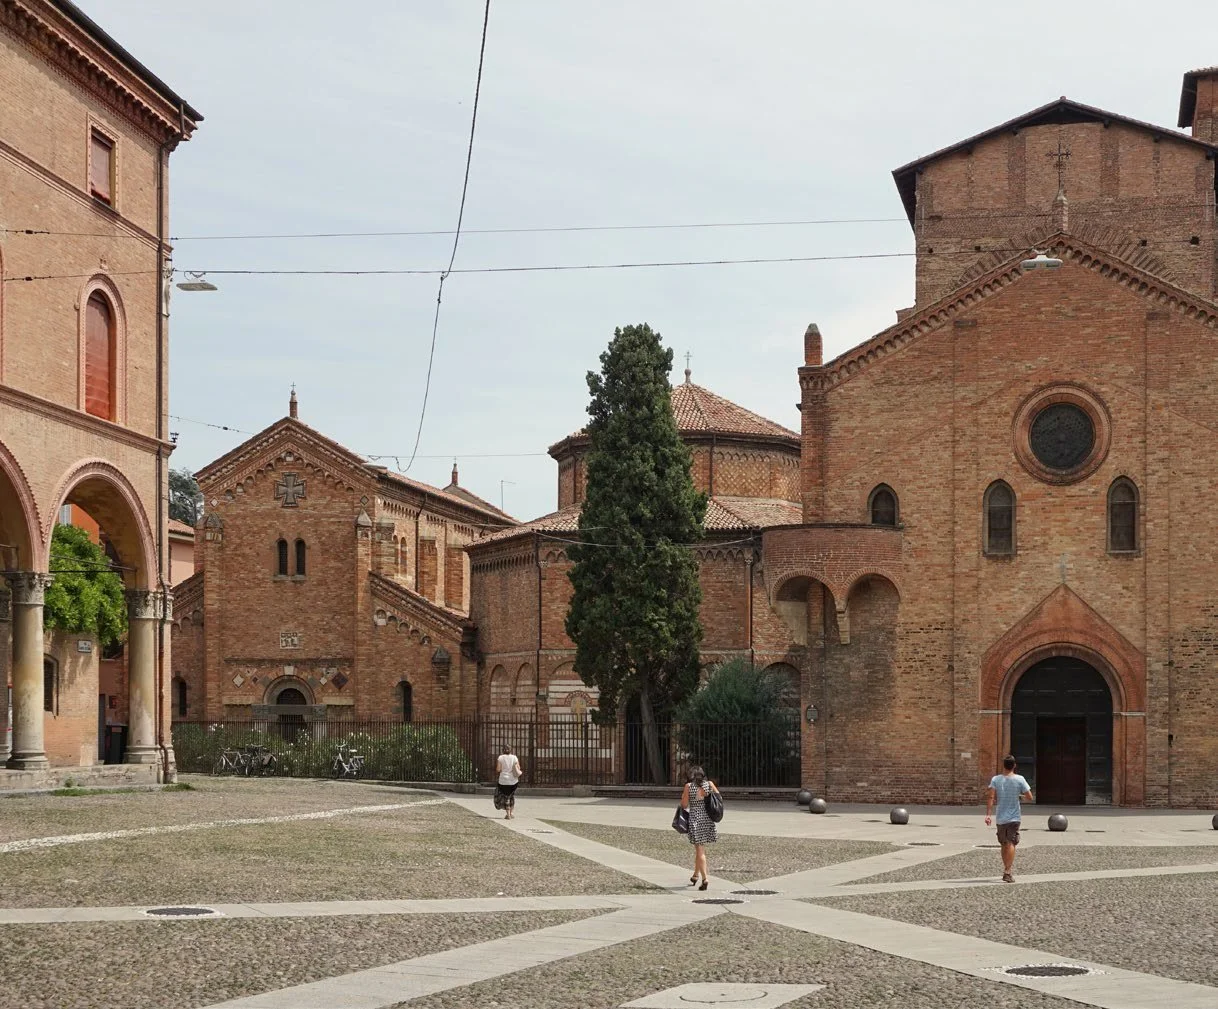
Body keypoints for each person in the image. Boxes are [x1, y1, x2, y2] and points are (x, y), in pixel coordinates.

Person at [985, 754, 1033, 883]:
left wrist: (988, 815)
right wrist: (1020, 796)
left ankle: (1006, 869)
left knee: (1004, 843)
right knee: (1011, 843)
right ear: (1014, 766)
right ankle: (1007, 871)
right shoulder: (1020, 779)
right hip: (1014, 817)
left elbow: (990, 797)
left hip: (1000, 817)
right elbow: (1030, 797)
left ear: (1003, 766)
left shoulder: (996, 779)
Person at [681, 765, 719, 890]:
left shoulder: (689, 787)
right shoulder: (709, 784)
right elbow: (719, 799)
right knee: (699, 849)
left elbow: (684, 804)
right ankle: (695, 875)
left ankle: (705, 878)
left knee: (700, 851)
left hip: (695, 819)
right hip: (707, 819)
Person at [495, 743, 523, 820]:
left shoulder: (500, 757)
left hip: (503, 780)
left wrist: (503, 769)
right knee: (511, 796)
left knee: (506, 796)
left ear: (503, 750)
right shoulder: (514, 757)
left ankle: (508, 815)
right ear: (511, 750)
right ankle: (511, 813)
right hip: (513, 780)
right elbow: (518, 767)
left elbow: (498, 769)